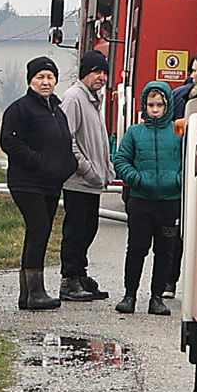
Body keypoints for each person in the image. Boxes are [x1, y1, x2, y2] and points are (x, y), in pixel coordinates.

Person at [0, 55, 75, 312]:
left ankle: (28, 294)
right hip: (27, 182)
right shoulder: (19, 109)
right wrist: (38, 161)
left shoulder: (57, 110)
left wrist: (68, 165)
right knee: (39, 228)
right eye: (40, 77)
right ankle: (35, 291)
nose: (45, 82)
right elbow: (9, 142)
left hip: (51, 184)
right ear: (31, 80)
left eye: (50, 77)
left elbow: (65, 142)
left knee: (39, 232)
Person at [111, 76, 188, 316]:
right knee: (136, 248)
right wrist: (137, 179)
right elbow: (120, 160)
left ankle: (157, 297)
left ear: (167, 107)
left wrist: (177, 180)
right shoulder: (134, 133)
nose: (155, 110)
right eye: (151, 105)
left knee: (165, 251)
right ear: (144, 106)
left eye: (160, 105)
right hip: (141, 201)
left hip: (169, 203)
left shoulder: (179, 132)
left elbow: (190, 161)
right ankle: (129, 295)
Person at [56, 49, 115, 302]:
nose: (100, 77)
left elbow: (97, 140)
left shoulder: (93, 99)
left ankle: (81, 274)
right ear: (85, 74)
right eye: (96, 72)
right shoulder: (73, 98)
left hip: (92, 183)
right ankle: (69, 280)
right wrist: (88, 169)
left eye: (104, 72)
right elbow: (66, 139)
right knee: (76, 231)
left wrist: (106, 169)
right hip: (78, 181)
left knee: (88, 229)